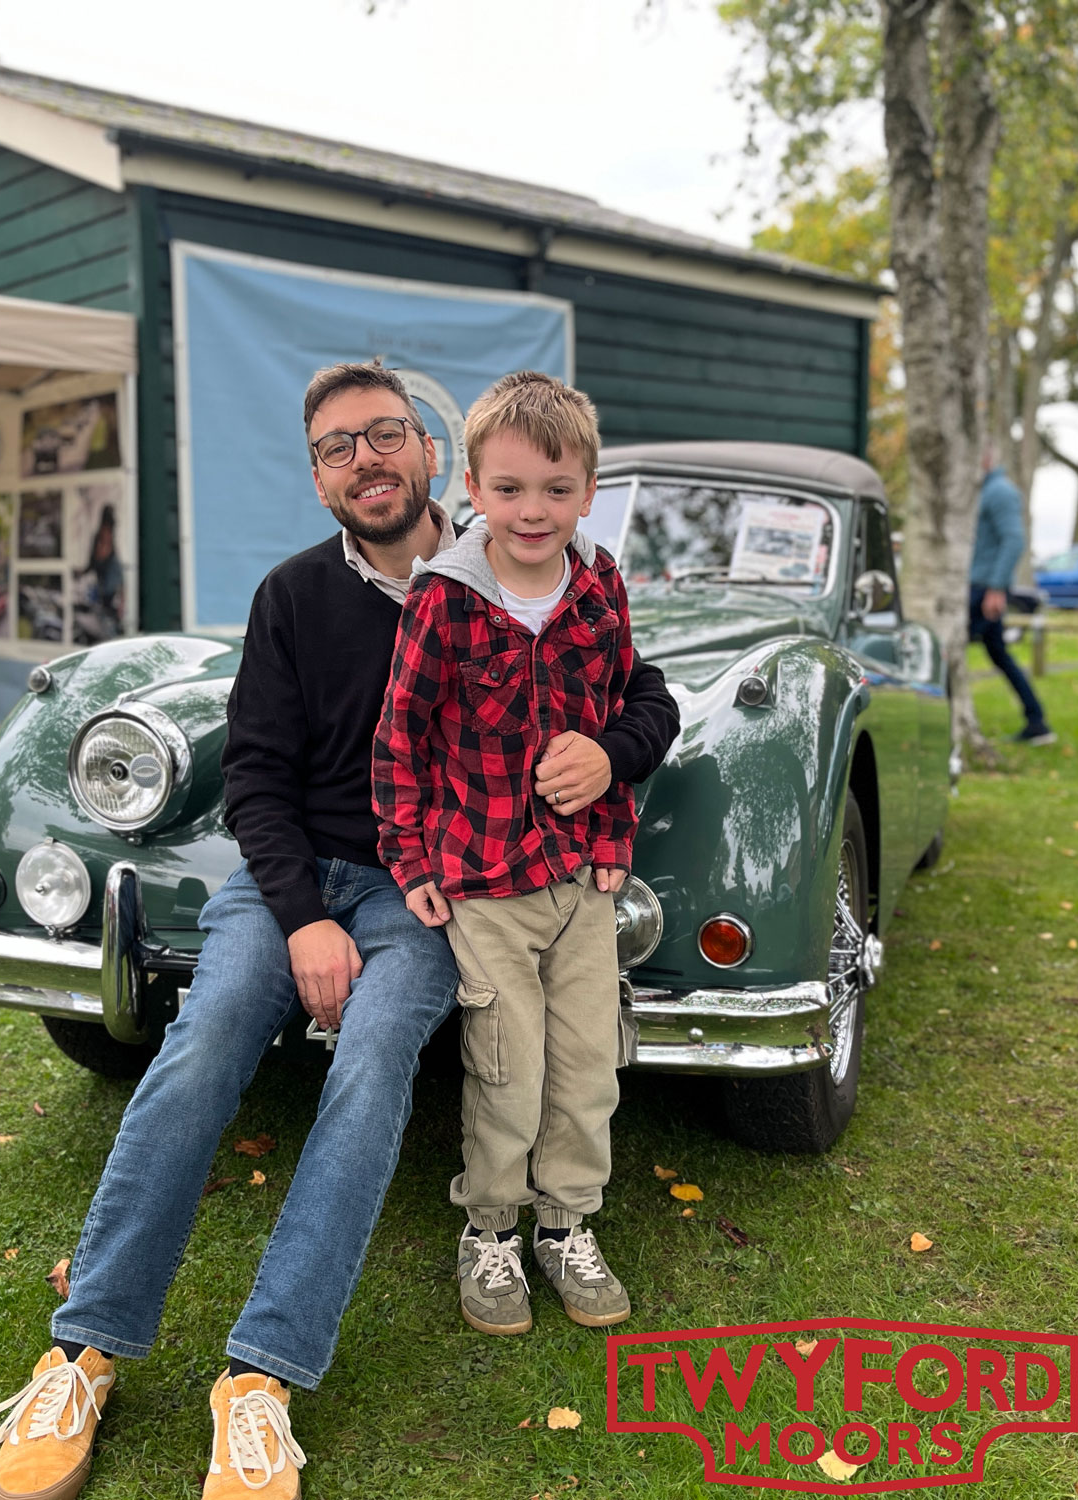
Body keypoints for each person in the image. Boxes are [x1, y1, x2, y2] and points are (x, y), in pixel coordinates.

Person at [0, 361, 680, 1500]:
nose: (367, 460)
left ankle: (260, 1380)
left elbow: (637, 696)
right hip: (292, 882)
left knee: (372, 1063)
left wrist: (613, 754)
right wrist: (300, 915)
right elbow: (255, 775)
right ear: (318, 479)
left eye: (385, 435)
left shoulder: (516, 565)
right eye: (339, 447)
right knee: (200, 1046)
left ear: (430, 454)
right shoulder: (294, 596)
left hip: (428, 889)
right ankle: (83, 1350)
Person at [374, 372, 635, 1341]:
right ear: (474, 491)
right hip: (483, 883)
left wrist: (611, 831)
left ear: (587, 491)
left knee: (586, 1069)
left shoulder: (600, 585)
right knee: (506, 1068)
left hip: (583, 883)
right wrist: (411, 861)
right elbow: (400, 737)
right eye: (512, 489)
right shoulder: (443, 599)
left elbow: (616, 716)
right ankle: (490, 1229)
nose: (535, 511)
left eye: (557, 490)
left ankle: (568, 1223)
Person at [971, 455, 1054, 745]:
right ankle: (1037, 721)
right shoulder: (984, 490)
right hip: (980, 585)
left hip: (982, 590)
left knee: (947, 650)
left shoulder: (1000, 491)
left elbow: (1014, 539)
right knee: (1000, 655)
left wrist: (996, 588)